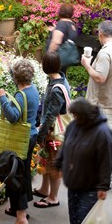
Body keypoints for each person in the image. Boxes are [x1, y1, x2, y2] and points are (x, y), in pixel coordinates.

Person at [56, 98, 112, 224]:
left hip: (91, 185)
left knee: (82, 218)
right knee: (75, 217)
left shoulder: (102, 132)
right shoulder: (74, 125)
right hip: (74, 180)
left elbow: (106, 161)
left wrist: (103, 186)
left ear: (84, 115)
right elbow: (65, 144)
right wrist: (59, 162)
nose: (73, 118)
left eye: (75, 115)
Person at [0, 59, 40, 224]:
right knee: (24, 173)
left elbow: (13, 117)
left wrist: (2, 99)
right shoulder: (33, 89)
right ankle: (18, 207)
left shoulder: (21, 96)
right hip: (31, 135)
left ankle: (21, 220)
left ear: (16, 78)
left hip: (19, 140)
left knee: (16, 177)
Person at [33, 50, 70, 208]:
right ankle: (44, 189)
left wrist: (40, 134)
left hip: (54, 132)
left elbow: (50, 115)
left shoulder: (56, 89)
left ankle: (53, 197)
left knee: (55, 163)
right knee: (47, 160)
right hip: (52, 131)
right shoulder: (60, 79)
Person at [82, 20, 112, 137]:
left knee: (96, 146)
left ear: (100, 33)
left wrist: (87, 65)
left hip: (100, 107)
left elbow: (100, 78)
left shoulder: (105, 53)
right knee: (106, 145)